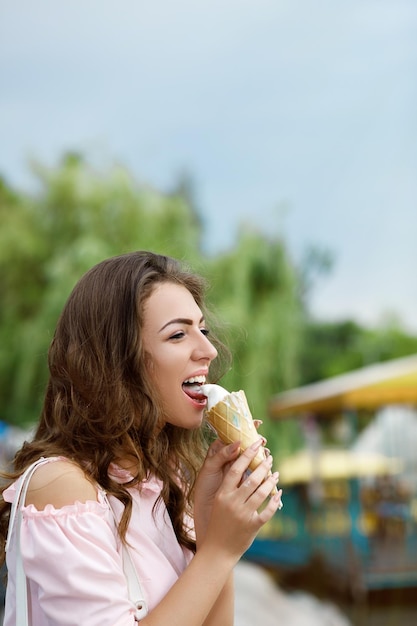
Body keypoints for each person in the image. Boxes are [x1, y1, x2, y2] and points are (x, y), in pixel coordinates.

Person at [0, 250, 282, 625]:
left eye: (204, 329)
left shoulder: (166, 481)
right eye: (179, 334)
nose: (209, 350)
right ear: (117, 359)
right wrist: (218, 552)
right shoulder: (61, 488)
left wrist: (211, 531)